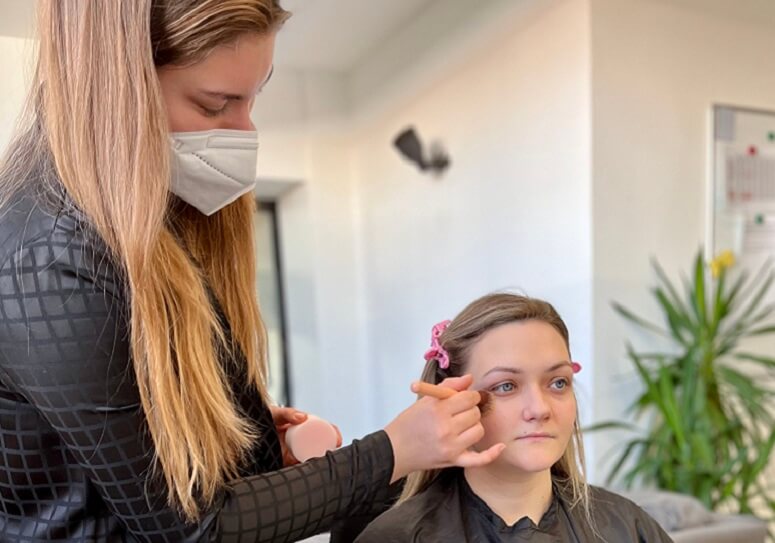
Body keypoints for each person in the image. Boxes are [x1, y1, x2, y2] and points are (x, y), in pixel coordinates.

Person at [0, 1, 505, 541]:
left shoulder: (149, 228)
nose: (244, 131)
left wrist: (252, 444)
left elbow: (146, 451)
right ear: (117, 90)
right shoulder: (49, 259)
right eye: (216, 103)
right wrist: (395, 451)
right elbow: (197, 528)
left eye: (254, 96)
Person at [356, 293, 674, 542]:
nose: (539, 408)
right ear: (451, 400)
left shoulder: (629, 528)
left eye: (558, 382)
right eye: (506, 386)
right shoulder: (398, 537)